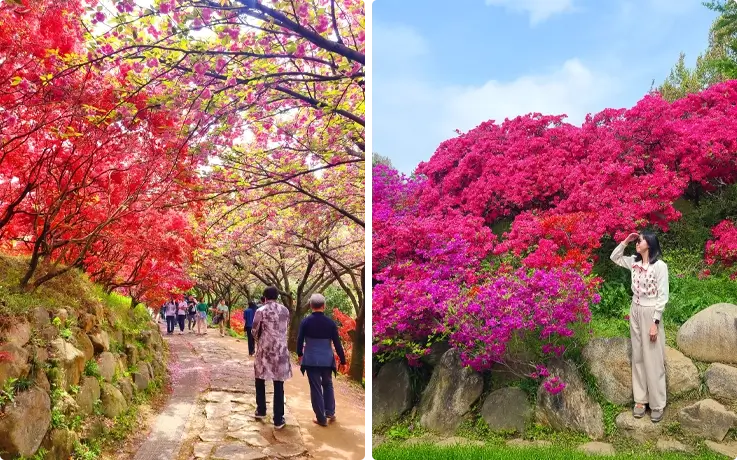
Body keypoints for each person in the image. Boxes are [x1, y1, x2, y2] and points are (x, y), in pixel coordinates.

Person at [611, 231, 669, 423]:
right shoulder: (634, 263)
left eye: (640, 240)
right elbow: (615, 257)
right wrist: (625, 241)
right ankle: (640, 400)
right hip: (635, 309)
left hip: (650, 311)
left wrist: (655, 322)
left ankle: (658, 403)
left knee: (653, 357)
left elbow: (663, 296)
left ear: (650, 244)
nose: (638, 242)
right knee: (638, 355)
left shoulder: (660, 267)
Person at [297, 293, 346, 427]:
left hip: (311, 359)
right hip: (326, 359)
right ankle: (329, 411)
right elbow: (336, 343)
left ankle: (321, 418)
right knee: (328, 384)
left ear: (311, 306)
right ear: (324, 306)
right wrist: (343, 359)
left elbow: (300, 339)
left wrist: (299, 353)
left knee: (316, 387)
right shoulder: (330, 323)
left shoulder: (305, 322)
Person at [252, 286, 292, 429]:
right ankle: (278, 419)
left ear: (265, 297)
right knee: (279, 383)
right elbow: (285, 327)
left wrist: (261, 340)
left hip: (265, 350)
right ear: (277, 296)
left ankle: (261, 410)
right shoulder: (285, 310)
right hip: (281, 351)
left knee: (260, 379)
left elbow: (254, 330)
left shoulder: (260, 311)